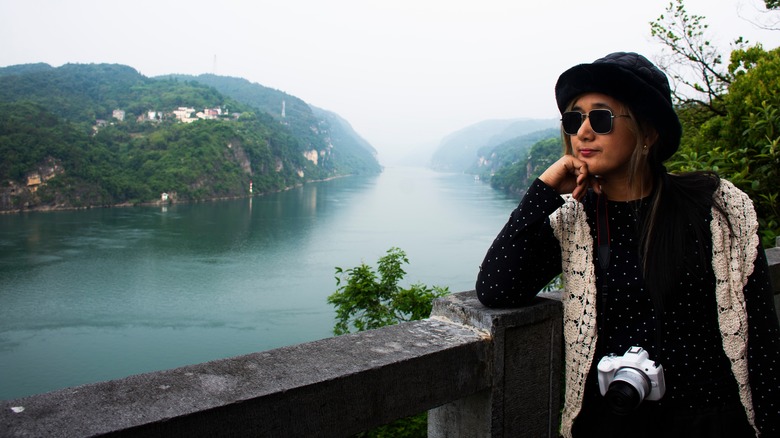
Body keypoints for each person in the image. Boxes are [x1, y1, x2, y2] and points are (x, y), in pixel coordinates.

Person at [475, 52, 780, 438]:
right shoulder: (577, 221)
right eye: (574, 119)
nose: (583, 132)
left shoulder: (716, 207)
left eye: (601, 118)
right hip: (610, 422)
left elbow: (762, 342)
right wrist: (545, 188)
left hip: (710, 421)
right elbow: (497, 288)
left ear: (648, 132)